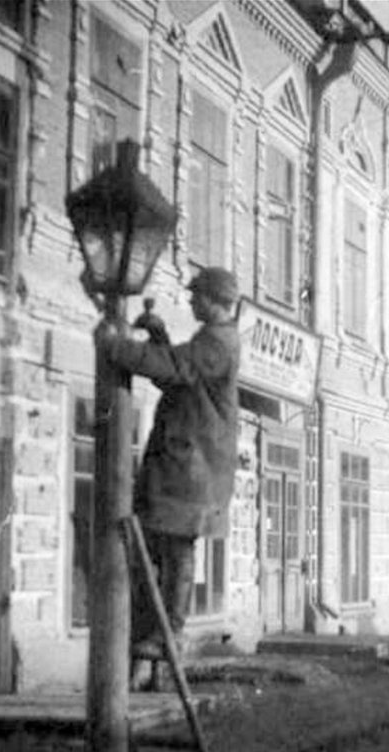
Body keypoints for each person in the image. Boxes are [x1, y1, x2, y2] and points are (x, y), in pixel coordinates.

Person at [95, 267, 240, 661]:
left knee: (174, 551)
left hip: (192, 470)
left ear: (213, 300)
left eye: (197, 296)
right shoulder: (213, 340)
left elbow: (176, 368)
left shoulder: (217, 342)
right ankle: (158, 633)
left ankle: (166, 634)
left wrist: (115, 347)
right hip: (190, 467)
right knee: (164, 550)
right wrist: (158, 337)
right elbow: (180, 380)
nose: (191, 301)